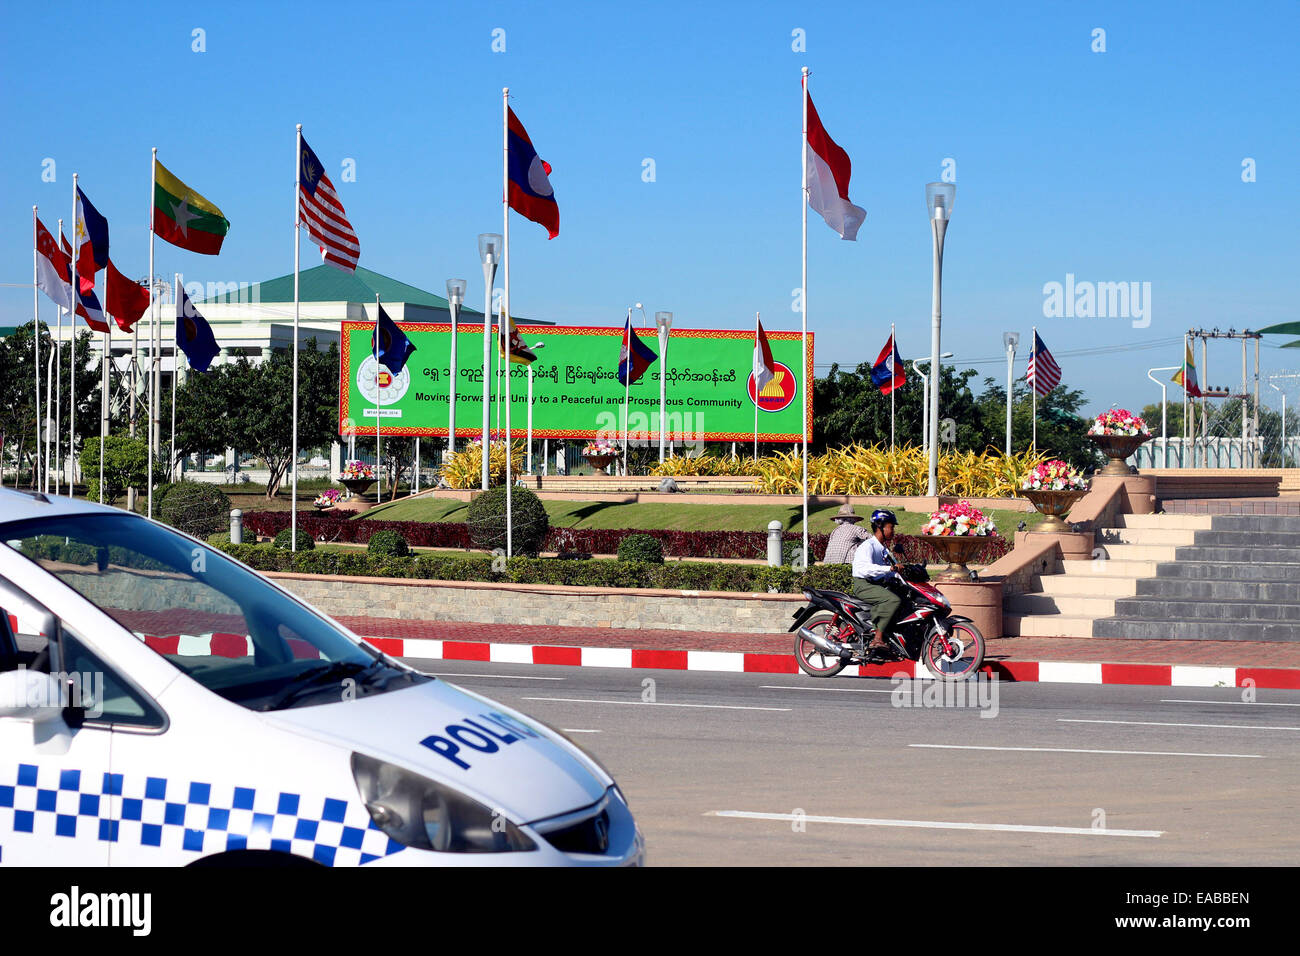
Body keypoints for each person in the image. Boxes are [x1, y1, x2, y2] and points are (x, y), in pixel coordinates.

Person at [850, 509, 903, 654]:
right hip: (864, 584)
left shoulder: (884, 550)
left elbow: (893, 570)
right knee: (892, 600)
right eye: (891, 527)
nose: (893, 531)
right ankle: (877, 638)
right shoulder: (868, 546)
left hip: (876, 584)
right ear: (880, 526)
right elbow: (865, 569)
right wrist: (889, 569)